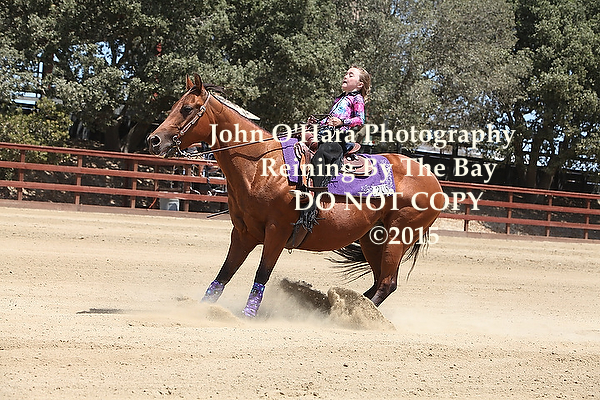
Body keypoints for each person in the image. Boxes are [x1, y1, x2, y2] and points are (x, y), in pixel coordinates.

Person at [309, 66, 371, 188]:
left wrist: (342, 122)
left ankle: (317, 192)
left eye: (351, 75)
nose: (345, 76)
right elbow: (330, 120)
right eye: (346, 74)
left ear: (360, 84)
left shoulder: (357, 98)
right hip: (326, 134)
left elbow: (360, 120)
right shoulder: (340, 98)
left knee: (322, 153)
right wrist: (316, 123)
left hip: (339, 138)